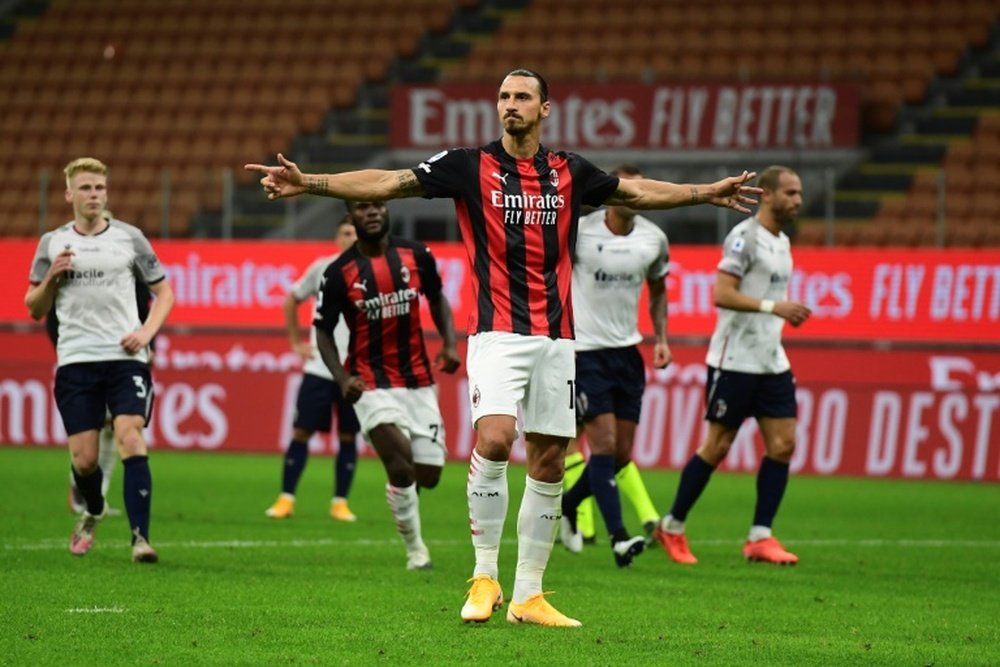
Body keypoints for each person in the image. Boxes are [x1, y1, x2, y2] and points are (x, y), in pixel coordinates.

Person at [245, 68, 761, 627]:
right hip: (495, 334)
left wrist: (705, 193)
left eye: (522, 97)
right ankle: (485, 575)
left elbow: (635, 192)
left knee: (547, 461)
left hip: (558, 339)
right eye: (504, 97)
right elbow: (388, 182)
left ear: (545, 109)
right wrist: (313, 183)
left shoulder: (570, 172)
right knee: (494, 439)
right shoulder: (468, 165)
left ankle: (529, 596)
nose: (510, 105)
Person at [652, 165, 811, 566]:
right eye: (790, 193)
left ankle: (760, 536)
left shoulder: (783, 242)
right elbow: (722, 293)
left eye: (799, 194)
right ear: (768, 195)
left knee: (784, 444)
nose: (798, 200)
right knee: (717, 446)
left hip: (771, 360)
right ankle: (671, 526)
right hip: (735, 361)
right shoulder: (744, 238)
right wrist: (775, 307)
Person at [25, 157, 175, 562]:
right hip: (75, 361)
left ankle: (140, 538)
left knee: (130, 435)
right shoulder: (52, 243)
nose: (94, 195)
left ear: (106, 193)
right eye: (86, 188)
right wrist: (53, 277)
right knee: (85, 459)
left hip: (125, 358)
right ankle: (92, 510)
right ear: (69, 194)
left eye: (100, 188)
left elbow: (165, 293)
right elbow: (34, 307)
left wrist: (146, 333)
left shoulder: (130, 238)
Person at [313, 200, 460, 570]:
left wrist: (451, 343)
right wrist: (343, 377)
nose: (373, 212)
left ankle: (400, 493)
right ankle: (416, 550)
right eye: (363, 207)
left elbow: (437, 297)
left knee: (430, 474)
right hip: (370, 382)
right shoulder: (338, 273)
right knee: (401, 464)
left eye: (378, 204)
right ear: (351, 217)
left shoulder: (417, 254)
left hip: (418, 380)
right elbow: (323, 331)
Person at [559, 164, 671, 567]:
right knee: (602, 445)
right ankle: (620, 538)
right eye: (629, 188)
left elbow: (658, 290)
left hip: (629, 354)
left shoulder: (654, 239)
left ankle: (569, 507)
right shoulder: (580, 232)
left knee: (620, 455)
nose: (637, 195)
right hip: (585, 353)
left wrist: (660, 338)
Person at [265, 214, 362, 522]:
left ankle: (340, 502)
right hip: (320, 367)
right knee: (302, 430)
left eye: (355, 233)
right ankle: (285, 498)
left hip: (354, 371)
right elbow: (291, 300)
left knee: (348, 436)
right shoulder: (322, 268)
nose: (350, 238)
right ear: (338, 237)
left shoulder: (373, 272)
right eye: (346, 232)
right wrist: (296, 342)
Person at [54, 266, 154, 517]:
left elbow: (147, 314)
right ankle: (82, 489)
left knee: (118, 430)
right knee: (89, 438)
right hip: (82, 360)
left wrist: (148, 344)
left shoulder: (134, 278)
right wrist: (65, 348)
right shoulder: (84, 276)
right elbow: (51, 315)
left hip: (125, 361)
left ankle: (97, 497)